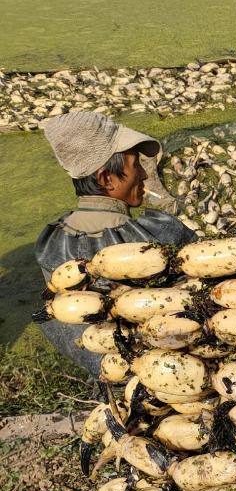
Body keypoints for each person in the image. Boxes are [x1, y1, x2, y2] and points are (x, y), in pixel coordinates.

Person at [35, 111, 197, 374]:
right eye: (136, 165)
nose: (144, 175)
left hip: (109, 388)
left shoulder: (51, 243)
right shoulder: (160, 233)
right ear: (105, 179)